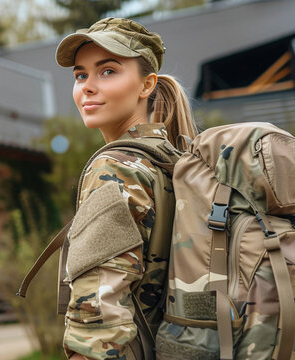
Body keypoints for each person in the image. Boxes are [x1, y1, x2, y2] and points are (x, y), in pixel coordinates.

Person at [55, 18, 199, 359]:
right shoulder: (175, 159)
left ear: (146, 84)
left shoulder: (116, 167)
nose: (87, 86)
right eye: (80, 75)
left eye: (107, 71)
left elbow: (98, 319)